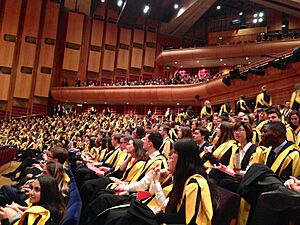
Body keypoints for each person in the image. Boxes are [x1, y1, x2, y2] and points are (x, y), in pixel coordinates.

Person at [111, 138, 217, 225]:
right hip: (164, 215)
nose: (169, 157)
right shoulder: (183, 178)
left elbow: (185, 220)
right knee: (128, 211)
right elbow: (168, 205)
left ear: (184, 158)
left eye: (174, 153)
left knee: (130, 214)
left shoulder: (195, 183)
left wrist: (156, 215)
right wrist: (157, 181)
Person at [0, 175, 66, 225]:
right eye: (32, 188)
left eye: (37, 189)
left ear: (47, 192)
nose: (30, 193)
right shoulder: (55, 206)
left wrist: (5, 220)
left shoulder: (42, 215)